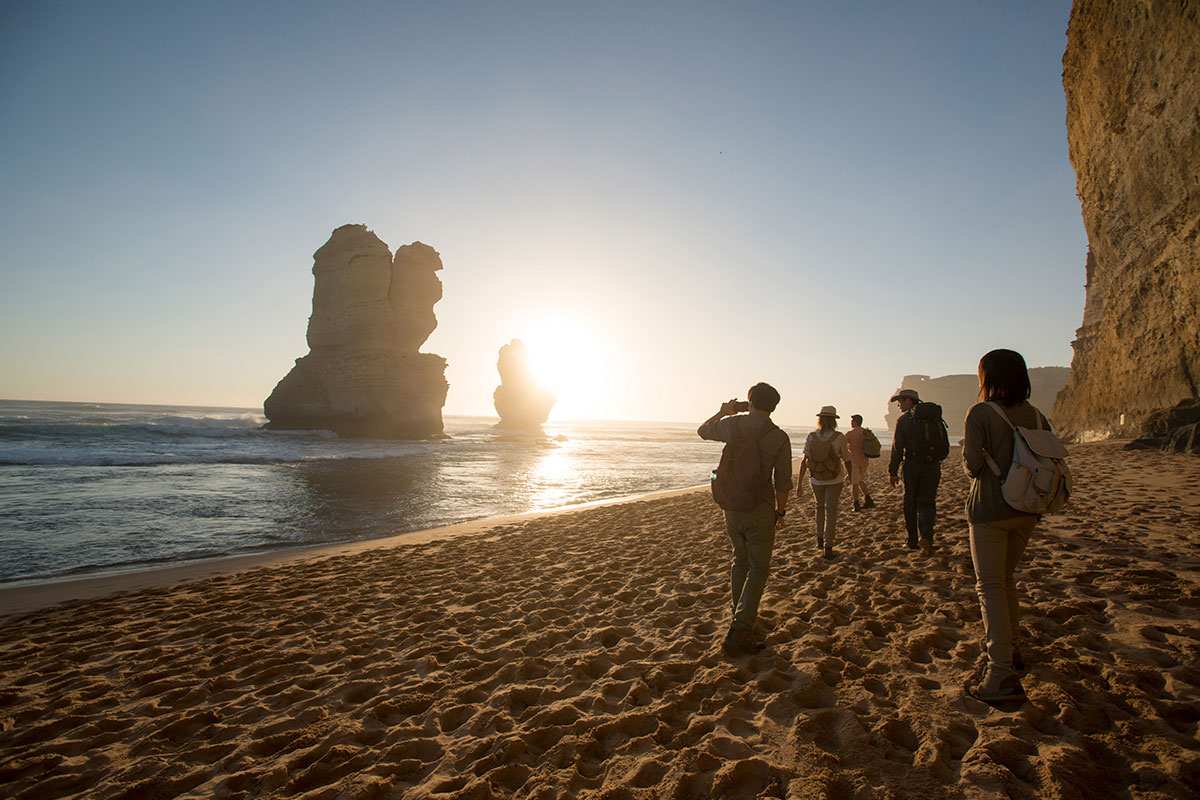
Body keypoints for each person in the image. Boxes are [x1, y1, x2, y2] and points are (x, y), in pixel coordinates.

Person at [963, 349, 1051, 702]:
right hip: (1029, 508)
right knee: (1006, 579)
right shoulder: (1038, 415)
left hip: (990, 509)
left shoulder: (981, 412)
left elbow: (971, 464)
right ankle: (1013, 649)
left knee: (990, 586)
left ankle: (999, 673)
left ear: (988, 377)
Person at [698, 382, 792, 655]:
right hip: (760, 507)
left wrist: (722, 411)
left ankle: (740, 616)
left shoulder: (732, 424)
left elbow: (703, 431)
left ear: (749, 401)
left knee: (740, 560)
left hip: (731, 506)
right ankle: (741, 627)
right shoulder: (779, 436)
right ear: (773, 407)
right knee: (759, 568)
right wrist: (781, 512)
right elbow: (783, 481)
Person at [796, 406, 852, 560]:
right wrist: (850, 476)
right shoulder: (839, 437)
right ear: (834, 421)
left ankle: (819, 539)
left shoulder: (811, 436)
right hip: (835, 479)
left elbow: (804, 460)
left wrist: (799, 483)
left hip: (816, 478)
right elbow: (847, 459)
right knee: (831, 510)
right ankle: (828, 545)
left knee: (819, 507)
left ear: (819, 419)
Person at [888, 388, 940, 554]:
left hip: (912, 465)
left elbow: (897, 448)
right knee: (928, 502)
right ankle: (926, 537)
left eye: (901, 401)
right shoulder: (933, 418)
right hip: (933, 465)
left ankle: (911, 540)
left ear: (909, 400)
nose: (898, 404)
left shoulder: (904, 420)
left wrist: (893, 471)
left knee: (910, 502)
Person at [844, 414, 875, 511]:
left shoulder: (850, 433)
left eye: (852, 421)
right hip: (865, 460)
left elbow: (843, 446)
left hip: (854, 460)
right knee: (859, 480)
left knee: (854, 483)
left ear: (855, 422)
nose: (851, 423)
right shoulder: (865, 432)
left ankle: (856, 504)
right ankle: (868, 499)